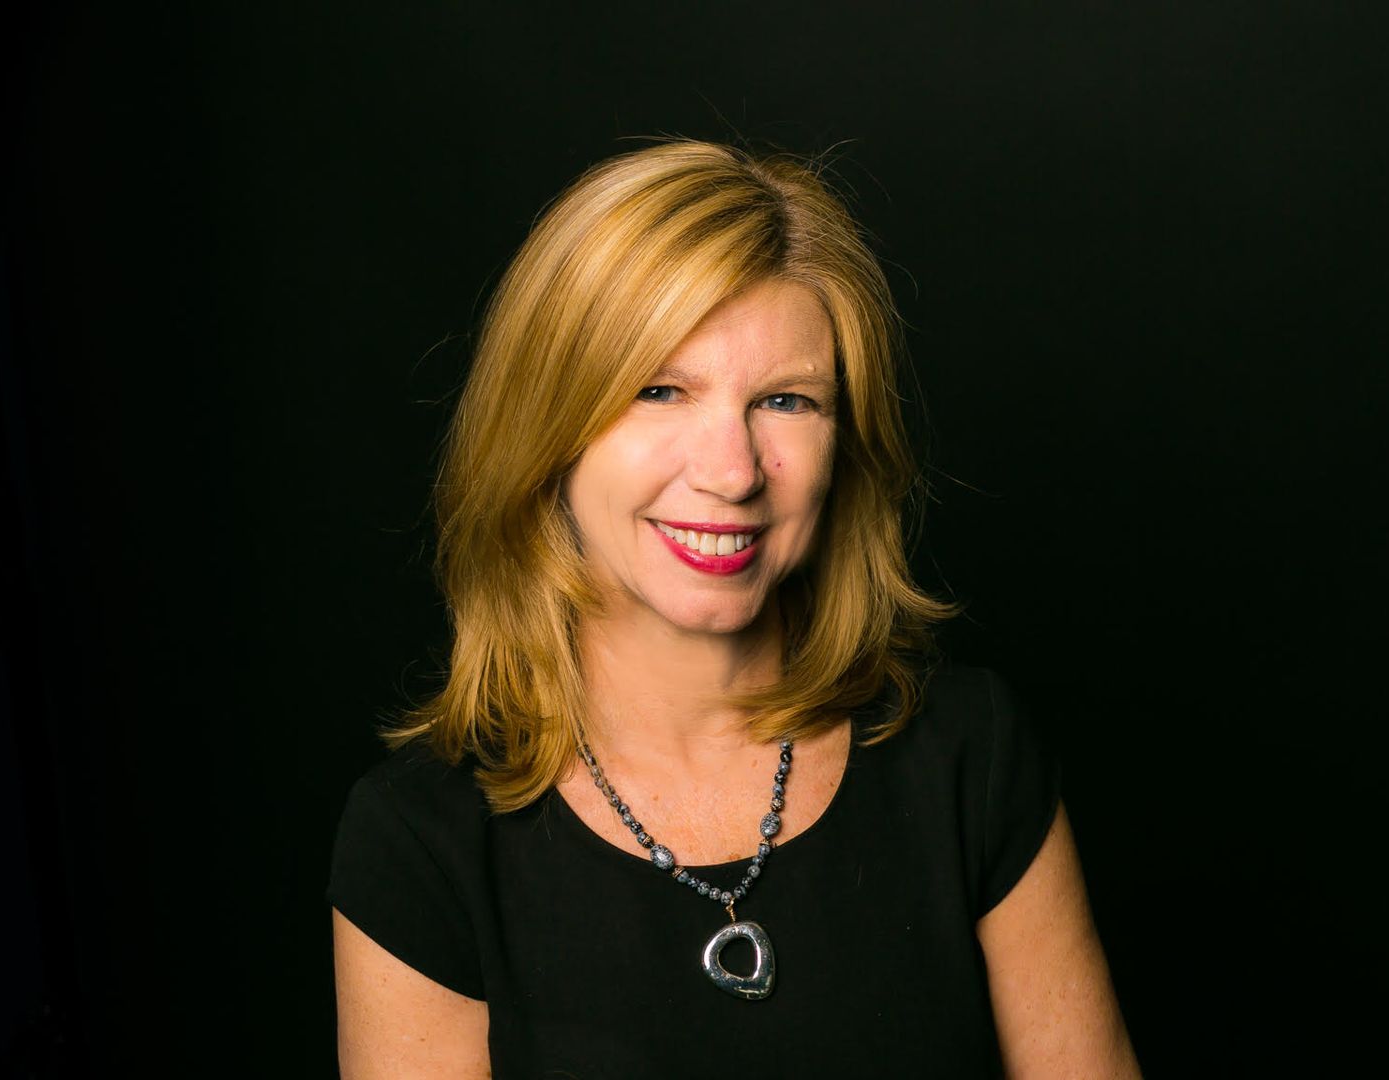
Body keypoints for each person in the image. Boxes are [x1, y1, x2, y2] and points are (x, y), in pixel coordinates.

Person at [328, 138, 1142, 1078]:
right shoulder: (421, 843)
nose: (732, 471)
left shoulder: (972, 757)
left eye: (787, 401)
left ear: (846, 448)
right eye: (659, 390)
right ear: (546, 428)